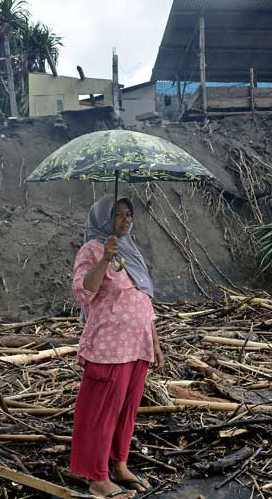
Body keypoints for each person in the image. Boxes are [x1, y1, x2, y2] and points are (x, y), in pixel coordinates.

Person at [69, 195, 164, 499]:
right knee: (101, 412)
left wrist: (155, 342)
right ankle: (97, 478)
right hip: (109, 348)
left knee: (127, 410)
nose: (125, 220)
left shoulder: (131, 250)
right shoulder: (93, 250)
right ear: (102, 218)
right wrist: (106, 260)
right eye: (118, 214)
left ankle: (119, 465)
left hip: (137, 345)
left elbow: (143, 298)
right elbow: (84, 290)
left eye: (128, 215)